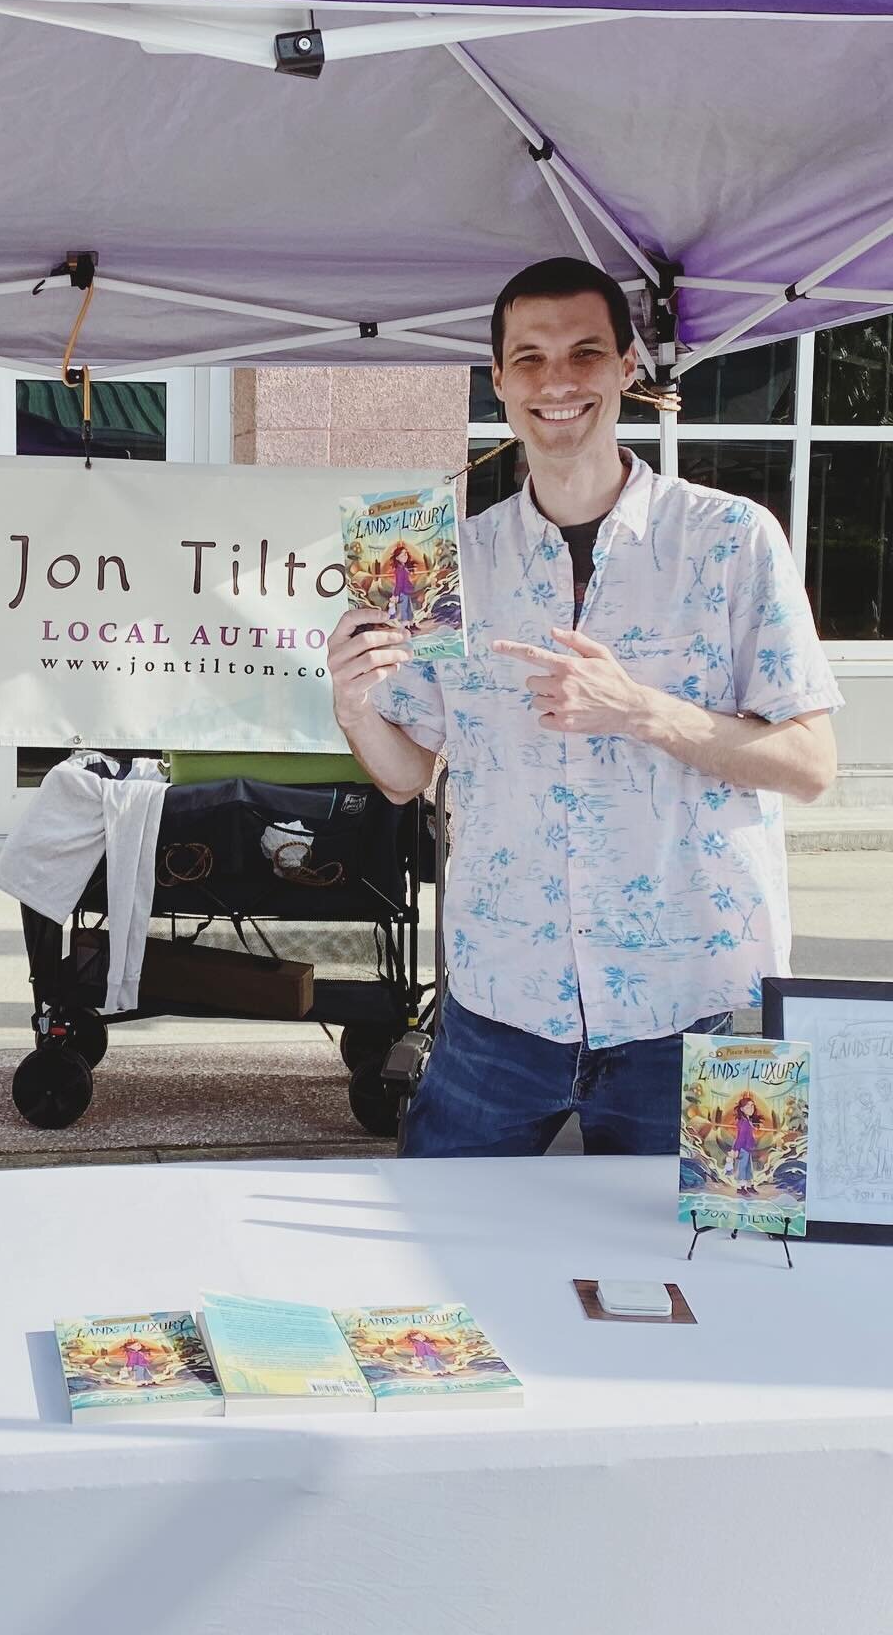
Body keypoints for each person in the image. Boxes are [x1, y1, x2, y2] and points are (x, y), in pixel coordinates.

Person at [329, 256, 841, 1158]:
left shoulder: (731, 538)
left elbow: (811, 764)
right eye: (527, 358)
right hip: (498, 1008)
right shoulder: (446, 559)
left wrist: (643, 710)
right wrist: (357, 707)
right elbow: (409, 779)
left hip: (702, 1007)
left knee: (724, 1280)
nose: (556, 381)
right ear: (496, 381)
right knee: (441, 1270)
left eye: (583, 353)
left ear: (625, 369)